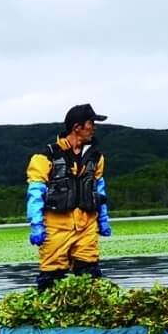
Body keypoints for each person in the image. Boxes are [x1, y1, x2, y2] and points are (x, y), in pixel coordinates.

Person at [25, 105, 110, 290]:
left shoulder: (97, 158)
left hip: (87, 224)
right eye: (91, 123)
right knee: (51, 280)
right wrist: (36, 224)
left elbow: (100, 190)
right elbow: (35, 192)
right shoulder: (44, 157)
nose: (94, 127)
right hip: (56, 227)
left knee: (91, 277)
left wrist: (103, 219)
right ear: (77, 127)